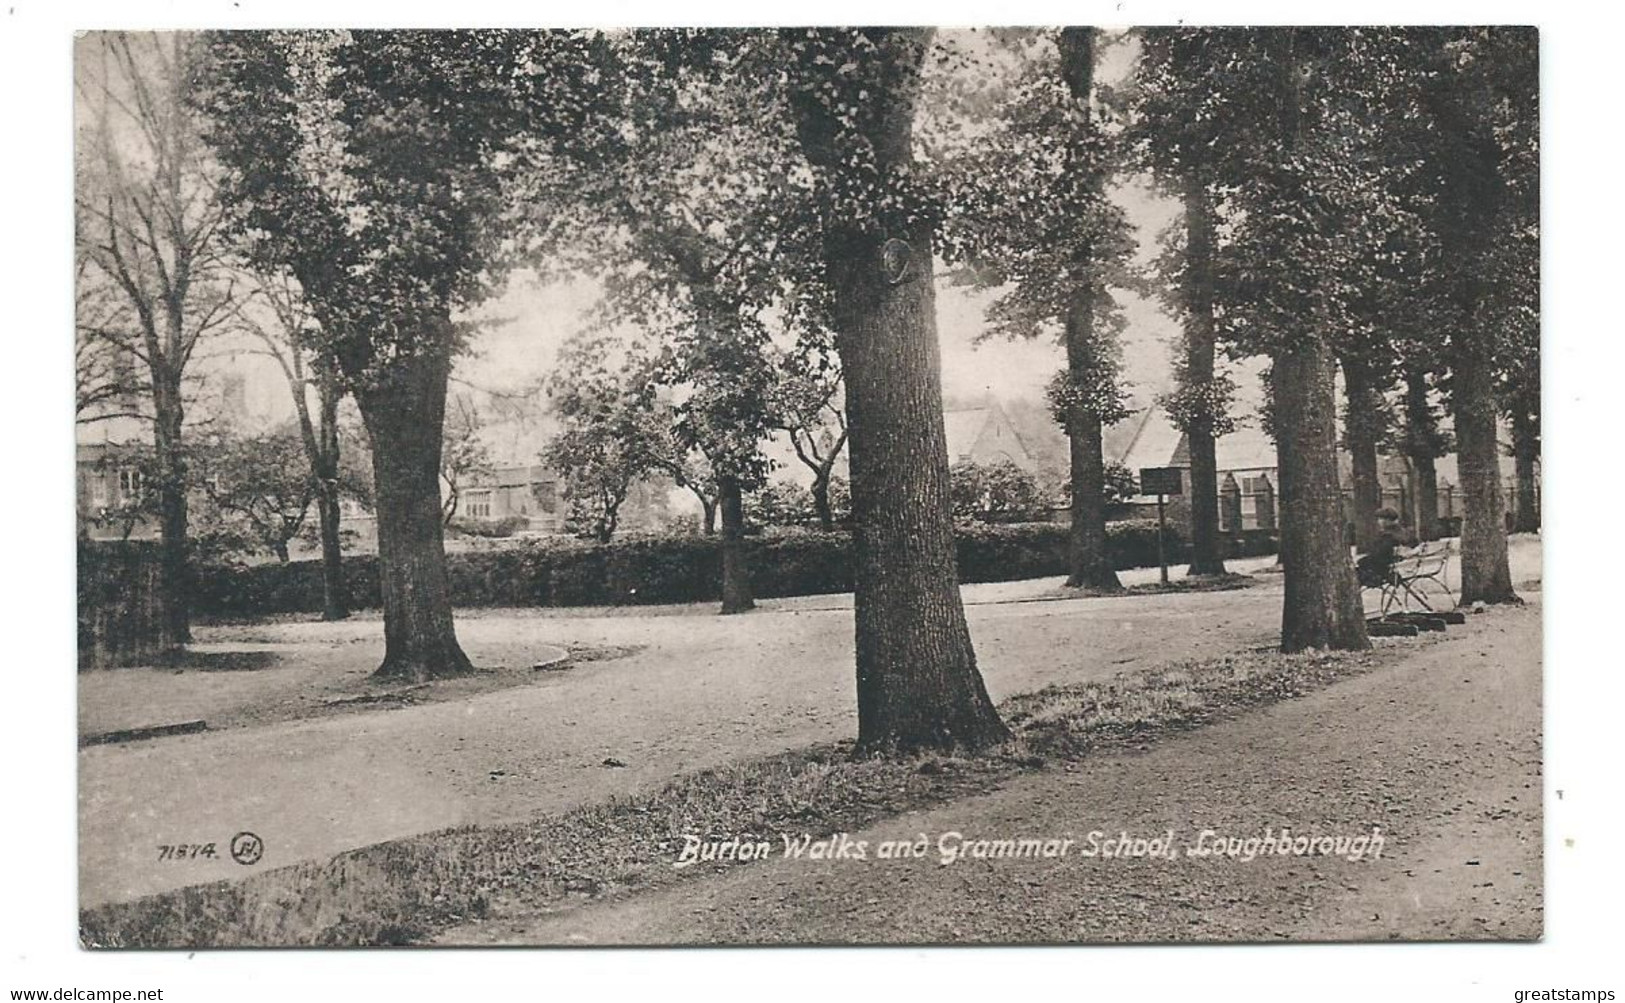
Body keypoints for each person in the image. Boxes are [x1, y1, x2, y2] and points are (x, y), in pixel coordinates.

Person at [1356, 507, 1415, 588]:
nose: (1379, 521)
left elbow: (1380, 553)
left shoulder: (1389, 535)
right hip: (1387, 560)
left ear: (1388, 520)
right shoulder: (1397, 531)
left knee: (1361, 566)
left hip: (1383, 563)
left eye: (1381, 519)